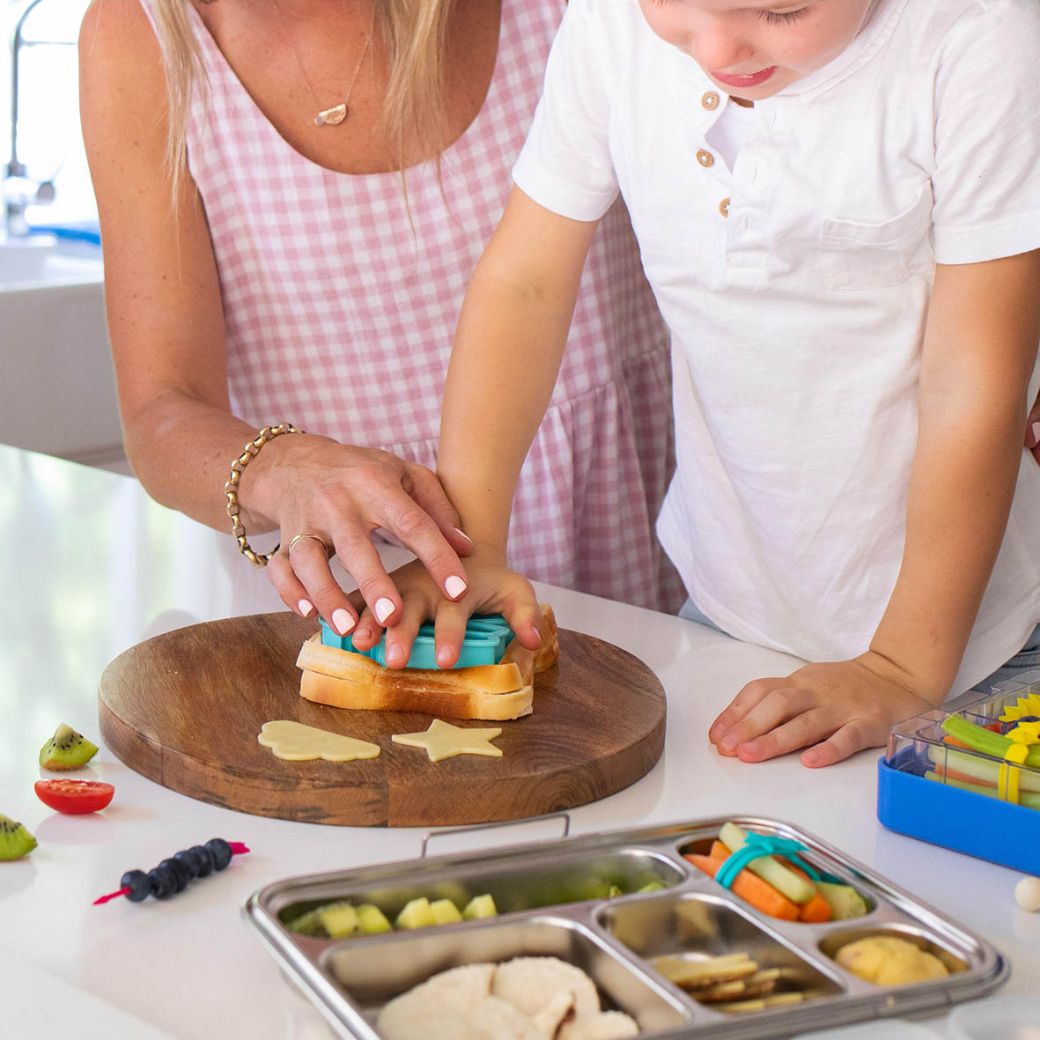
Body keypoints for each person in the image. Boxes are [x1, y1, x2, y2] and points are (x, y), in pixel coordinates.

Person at [356, 0, 1040, 765]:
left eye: (782, 10)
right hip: (729, 617)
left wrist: (904, 666)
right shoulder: (611, 25)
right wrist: (472, 542)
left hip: (969, 650)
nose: (717, 47)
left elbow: (972, 380)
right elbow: (525, 286)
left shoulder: (979, 39)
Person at [79, 0, 682, 654]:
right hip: (359, 596)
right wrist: (281, 469)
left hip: (637, 533)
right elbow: (161, 411)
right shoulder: (137, 37)